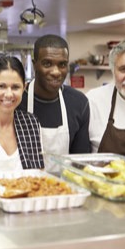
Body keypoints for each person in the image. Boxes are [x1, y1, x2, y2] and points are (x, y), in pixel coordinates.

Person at [17, 34, 91, 171]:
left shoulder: (79, 103)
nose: (56, 72)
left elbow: (80, 162)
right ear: (35, 65)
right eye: (47, 63)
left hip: (66, 186)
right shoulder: (17, 102)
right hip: (24, 185)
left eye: (62, 64)